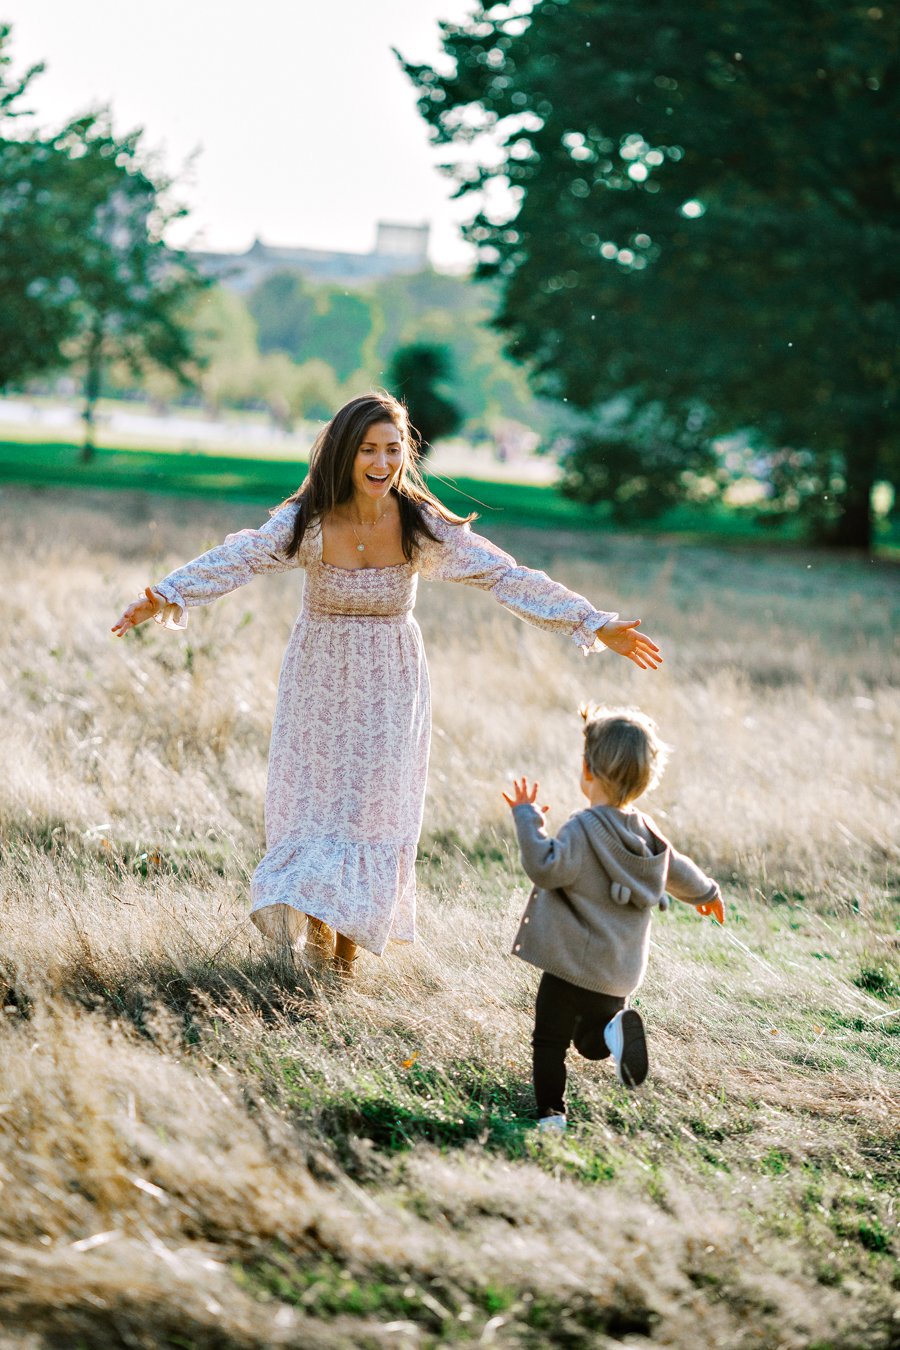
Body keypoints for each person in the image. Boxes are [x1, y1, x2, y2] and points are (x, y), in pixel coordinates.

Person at [112, 392, 662, 976]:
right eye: (368, 450)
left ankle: (343, 966)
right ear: (345, 453)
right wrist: (162, 596)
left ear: (406, 455)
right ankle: (318, 956)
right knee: (315, 815)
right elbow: (241, 556)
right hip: (318, 680)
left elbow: (505, 575)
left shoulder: (420, 525)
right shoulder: (307, 521)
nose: (381, 462)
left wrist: (593, 622)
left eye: (393, 450)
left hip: (391, 682)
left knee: (372, 817)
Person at [503, 706, 724, 1130]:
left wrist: (528, 819)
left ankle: (552, 1114)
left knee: (549, 1042)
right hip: (618, 970)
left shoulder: (582, 828)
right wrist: (707, 893)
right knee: (591, 1042)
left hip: (569, 966)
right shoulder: (646, 830)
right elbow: (675, 867)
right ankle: (614, 1029)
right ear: (644, 780)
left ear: (586, 769)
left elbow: (546, 868)